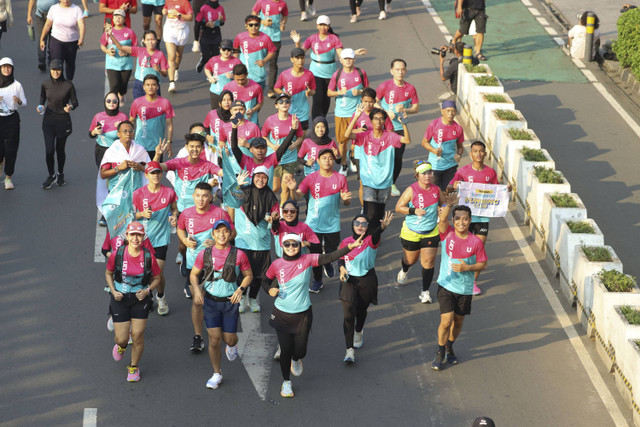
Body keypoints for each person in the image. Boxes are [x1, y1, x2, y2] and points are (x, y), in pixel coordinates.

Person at [264, 232, 363, 397]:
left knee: (300, 351)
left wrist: (349, 248)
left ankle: (296, 359)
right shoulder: (276, 264)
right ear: (282, 246)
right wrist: (269, 289)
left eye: (294, 244)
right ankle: (286, 382)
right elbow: (265, 280)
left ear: (299, 246)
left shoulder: (307, 260)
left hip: (303, 313)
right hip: (281, 313)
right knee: (285, 350)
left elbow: (330, 256)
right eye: (287, 244)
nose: (290, 247)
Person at [190, 219, 252, 389]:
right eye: (218, 231)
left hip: (230, 302)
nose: (222, 234)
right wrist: (196, 291)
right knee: (214, 339)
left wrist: (240, 289)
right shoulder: (205, 254)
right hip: (210, 302)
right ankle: (217, 373)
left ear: (231, 234)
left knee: (229, 339)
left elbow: (248, 275)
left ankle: (232, 346)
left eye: (225, 231)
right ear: (213, 234)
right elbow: (194, 274)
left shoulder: (239, 254)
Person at [431, 194, 487, 371]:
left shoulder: (476, 241)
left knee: (458, 322)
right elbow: (442, 221)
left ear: (470, 221)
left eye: (465, 219)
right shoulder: (447, 235)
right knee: (446, 321)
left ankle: (449, 346)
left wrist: (466, 268)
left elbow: (483, 263)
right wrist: (448, 204)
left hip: (465, 289)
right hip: (446, 286)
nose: (461, 222)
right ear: (453, 221)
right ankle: (440, 352)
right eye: (458, 219)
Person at [178, 182, 233, 351]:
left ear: (211, 197)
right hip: (194, 264)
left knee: (217, 300)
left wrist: (217, 241)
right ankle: (198, 337)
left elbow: (233, 232)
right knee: (197, 301)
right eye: (198, 195)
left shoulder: (219, 213)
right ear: (193, 196)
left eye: (205, 196)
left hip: (216, 265)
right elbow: (180, 229)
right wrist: (185, 240)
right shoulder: (186, 214)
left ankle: (224, 334)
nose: (201, 199)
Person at [287, 147, 351, 293]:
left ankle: (327, 261)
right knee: (314, 256)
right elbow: (297, 196)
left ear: (333, 160)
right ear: (318, 161)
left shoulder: (340, 178)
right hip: (313, 224)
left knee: (331, 250)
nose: (327, 161)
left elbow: (346, 201)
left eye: (330, 158)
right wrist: (292, 188)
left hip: (332, 224)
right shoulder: (311, 178)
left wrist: (345, 200)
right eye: (324, 158)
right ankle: (317, 280)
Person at [106, 221, 161, 382]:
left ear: (143, 237)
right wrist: (113, 290)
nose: (136, 238)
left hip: (140, 299)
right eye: (132, 235)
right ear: (127, 236)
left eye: (139, 235)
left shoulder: (148, 257)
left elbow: (157, 278)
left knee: (137, 335)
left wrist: (147, 291)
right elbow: (108, 273)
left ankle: (133, 366)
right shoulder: (118, 254)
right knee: (121, 339)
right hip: (120, 298)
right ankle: (121, 347)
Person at [447, 140, 502, 296]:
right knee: (463, 249)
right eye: (475, 151)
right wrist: (455, 185)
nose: (478, 154)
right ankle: (457, 275)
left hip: (482, 218)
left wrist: (506, 189)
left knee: (478, 249)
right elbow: (449, 188)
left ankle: (472, 282)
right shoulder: (463, 171)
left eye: (481, 151)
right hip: (465, 218)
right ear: (470, 154)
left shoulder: (491, 173)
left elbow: (496, 191)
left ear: (485, 153)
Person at [338, 211, 392, 363]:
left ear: (368, 227)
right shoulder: (346, 241)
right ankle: (349, 350)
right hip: (349, 281)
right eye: (357, 223)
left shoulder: (371, 240)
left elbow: (376, 235)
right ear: (352, 225)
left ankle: (358, 331)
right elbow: (341, 257)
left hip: (366, 280)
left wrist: (381, 228)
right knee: (348, 315)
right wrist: (341, 268)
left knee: (361, 311)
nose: (360, 226)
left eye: (364, 224)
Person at [345, 106, 410, 226]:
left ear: (385, 121)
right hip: (368, 180)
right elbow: (347, 135)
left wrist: (404, 124)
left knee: (379, 215)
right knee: (370, 214)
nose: (378, 121)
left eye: (381, 119)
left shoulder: (390, 136)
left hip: (385, 181)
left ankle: (375, 238)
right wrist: (356, 117)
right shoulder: (365, 135)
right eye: (375, 118)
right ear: (371, 120)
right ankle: (366, 238)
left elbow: (406, 140)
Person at [231, 166, 280, 313]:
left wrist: (275, 219)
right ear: (252, 177)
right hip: (242, 242)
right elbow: (228, 199)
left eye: (264, 177)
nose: (260, 180)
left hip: (261, 244)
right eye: (257, 176)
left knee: (259, 276)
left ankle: (252, 298)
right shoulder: (243, 191)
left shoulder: (271, 198)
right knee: (242, 273)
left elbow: (276, 226)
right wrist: (237, 185)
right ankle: (242, 297)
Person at [395, 160, 446, 303]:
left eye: (430, 172)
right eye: (424, 173)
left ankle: (425, 292)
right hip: (411, 232)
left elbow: (443, 203)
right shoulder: (412, 190)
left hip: (430, 231)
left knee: (428, 262)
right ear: (417, 175)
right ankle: (405, 270)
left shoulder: (436, 189)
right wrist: (413, 210)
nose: (428, 176)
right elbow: (399, 207)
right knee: (410, 260)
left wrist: (443, 209)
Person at [132, 161, 178, 315]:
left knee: (156, 273)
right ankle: (145, 295)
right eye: (152, 173)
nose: (156, 175)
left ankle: (160, 296)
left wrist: (174, 217)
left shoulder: (169, 192)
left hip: (160, 239)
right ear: (146, 175)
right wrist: (140, 214)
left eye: (158, 172)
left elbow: (174, 209)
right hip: (141, 239)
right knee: (142, 272)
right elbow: (127, 215)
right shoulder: (138, 193)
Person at [376, 58, 419, 196]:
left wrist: (405, 110)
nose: (400, 72)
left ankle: (392, 183)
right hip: (384, 127)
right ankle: (379, 180)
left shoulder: (410, 88)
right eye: (397, 69)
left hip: (400, 128)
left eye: (402, 69)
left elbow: (416, 108)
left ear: (405, 71)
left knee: (397, 158)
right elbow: (374, 102)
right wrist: (385, 111)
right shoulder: (385, 86)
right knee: (383, 156)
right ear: (391, 71)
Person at [290, 16, 344, 119]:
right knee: (317, 99)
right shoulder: (312, 38)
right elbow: (300, 52)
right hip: (315, 73)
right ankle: (316, 122)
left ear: (328, 26)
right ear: (317, 26)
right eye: (321, 25)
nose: (323, 27)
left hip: (330, 73)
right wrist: (297, 42)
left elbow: (341, 55)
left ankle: (322, 118)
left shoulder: (334, 39)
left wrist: (352, 54)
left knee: (326, 98)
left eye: (325, 25)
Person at [328, 48, 368, 176]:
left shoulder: (361, 73)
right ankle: (344, 165)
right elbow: (329, 92)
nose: (348, 61)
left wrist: (361, 92)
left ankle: (353, 156)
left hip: (358, 113)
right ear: (341, 60)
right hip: (341, 113)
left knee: (358, 139)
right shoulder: (337, 74)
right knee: (342, 141)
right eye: (345, 58)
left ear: (354, 59)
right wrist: (339, 92)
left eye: (350, 58)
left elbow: (368, 91)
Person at [39, 59, 78, 189]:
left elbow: (75, 102)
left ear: (62, 71)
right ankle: (51, 175)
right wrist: (40, 106)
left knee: (60, 150)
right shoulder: (45, 84)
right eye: (54, 70)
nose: (56, 72)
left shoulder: (68, 85)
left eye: (58, 70)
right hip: (48, 121)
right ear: (50, 70)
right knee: (49, 150)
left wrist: (70, 107)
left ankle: (60, 173)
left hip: (63, 121)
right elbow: (42, 98)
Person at [262, 93, 304, 201]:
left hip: (290, 158)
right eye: (281, 102)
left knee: (285, 188)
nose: (284, 104)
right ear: (276, 105)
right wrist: (271, 145)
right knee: (275, 188)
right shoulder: (270, 120)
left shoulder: (294, 119)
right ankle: (271, 206)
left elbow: (300, 136)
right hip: (275, 157)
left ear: (290, 104)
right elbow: (263, 136)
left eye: (287, 102)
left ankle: (282, 212)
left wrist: (296, 143)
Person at [107, 28, 169, 100]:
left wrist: (159, 70)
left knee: (152, 109)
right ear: (144, 41)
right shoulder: (139, 50)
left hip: (153, 86)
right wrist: (111, 35)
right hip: (139, 84)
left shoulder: (160, 54)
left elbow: (165, 74)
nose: (150, 42)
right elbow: (121, 47)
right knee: (139, 107)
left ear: (156, 41)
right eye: (148, 40)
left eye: (152, 39)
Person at [421, 100, 464, 192]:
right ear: (442, 111)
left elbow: (460, 146)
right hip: (435, 166)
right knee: (435, 192)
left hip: (451, 166)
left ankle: (445, 206)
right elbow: (424, 142)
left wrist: (459, 155)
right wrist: (434, 151)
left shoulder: (458, 128)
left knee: (447, 192)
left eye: (453, 111)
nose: (450, 113)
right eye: (448, 110)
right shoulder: (434, 124)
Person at [129, 74, 175, 159]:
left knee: (155, 171)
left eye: (153, 85)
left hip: (157, 147)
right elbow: (131, 122)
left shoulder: (165, 103)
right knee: (140, 171)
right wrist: (129, 141)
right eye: (148, 85)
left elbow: (169, 125)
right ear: (143, 87)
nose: (150, 87)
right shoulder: (137, 103)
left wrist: (169, 142)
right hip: (140, 146)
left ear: (157, 87)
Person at [40, 0, 85, 81]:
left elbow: (81, 24)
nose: (66, 0)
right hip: (56, 40)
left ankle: (69, 82)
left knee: (70, 64)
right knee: (56, 63)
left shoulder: (76, 9)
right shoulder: (54, 9)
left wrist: (81, 38)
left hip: (72, 42)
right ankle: (56, 83)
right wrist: (42, 39)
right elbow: (47, 25)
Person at [251, 0, 288, 98]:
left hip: (275, 38)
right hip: (261, 36)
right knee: (257, 62)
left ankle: (271, 89)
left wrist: (282, 23)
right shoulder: (261, 1)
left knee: (273, 63)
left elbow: (285, 15)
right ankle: (254, 87)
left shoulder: (283, 4)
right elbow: (253, 14)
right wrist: (261, 21)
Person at [101, 9, 137, 106]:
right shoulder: (108, 31)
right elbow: (102, 45)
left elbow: (135, 48)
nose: (117, 18)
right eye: (115, 16)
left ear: (124, 19)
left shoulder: (130, 32)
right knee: (114, 86)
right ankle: (113, 106)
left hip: (126, 65)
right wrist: (107, 51)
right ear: (112, 18)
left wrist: (126, 53)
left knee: (123, 87)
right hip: (111, 64)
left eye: (120, 16)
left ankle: (122, 94)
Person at [273, 47, 316, 130]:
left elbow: (313, 90)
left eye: (302, 58)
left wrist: (309, 93)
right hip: (288, 111)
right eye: (297, 58)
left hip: (303, 112)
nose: (300, 61)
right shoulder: (285, 74)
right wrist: (284, 94)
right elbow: (276, 88)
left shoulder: (309, 74)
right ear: (292, 59)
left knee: (302, 135)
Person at [0, 58, 25, 191]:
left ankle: (8, 177)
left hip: (12, 119)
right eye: (4, 67)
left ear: (12, 69)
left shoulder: (17, 85)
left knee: (11, 150)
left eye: (8, 67)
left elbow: (25, 103)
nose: (6, 69)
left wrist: (19, 101)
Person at [233, 15, 276, 91]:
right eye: (251, 25)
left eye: (256, 25)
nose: (253, 27)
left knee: (258, 100)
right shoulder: (240, 37)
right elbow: (235, 50)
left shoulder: (265, 38)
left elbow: (272, 51)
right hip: (243, 76)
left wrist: (265, 60)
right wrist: (236, 65)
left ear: (259, 26)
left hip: (259, 76)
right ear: (246, 26)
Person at [89, 92, 129, 169]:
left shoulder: (123, 117)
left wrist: (121, 129)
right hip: (101, 150)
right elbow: (90, 134)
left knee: (116, 175)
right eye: (108, 101)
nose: (111, 103)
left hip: (118, 151)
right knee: (103, 175)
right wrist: (94, 132)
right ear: (105, 102)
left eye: (114, 101)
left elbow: (129, 136)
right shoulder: (98, 116)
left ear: (118, 103)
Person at [162, 0, 193, 93]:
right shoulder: (168, 1)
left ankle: (176, 68)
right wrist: (164, 11)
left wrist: (179, 15)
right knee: (171, 56)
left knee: (178, 55)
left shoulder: (185, 2)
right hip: (169, 29)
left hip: (181, 30)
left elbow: (190, 18)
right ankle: (171, 83)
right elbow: (165, 8)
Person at [204, 40, 242, 110]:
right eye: (224, 49)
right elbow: (207, 68)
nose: (226, 52)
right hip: (216, 92)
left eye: (229, 50)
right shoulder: (213, 60)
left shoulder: (236, 61)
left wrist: (234, 76)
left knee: (231, 113)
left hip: (231, 93)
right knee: (216, 113)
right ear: (220, 49)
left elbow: (242, 75)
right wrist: (210, 77)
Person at [194, 0, 225, 73]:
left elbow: (222, 23)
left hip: (216, 34)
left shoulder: (221, 8)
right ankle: (203, 61)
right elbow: (198, 22)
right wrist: (206, 24)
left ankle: (211, 73)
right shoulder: (204, 8)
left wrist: (221, 21)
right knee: (206, 56)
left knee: (215, 55)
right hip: (206, 34)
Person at [28, 0, 57, 71]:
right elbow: (32, 1)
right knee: (42, 37)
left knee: (53, 37)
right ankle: (41, 60)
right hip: (40, 15)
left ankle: (51, 58)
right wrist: (29, 15)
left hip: (54, 16)